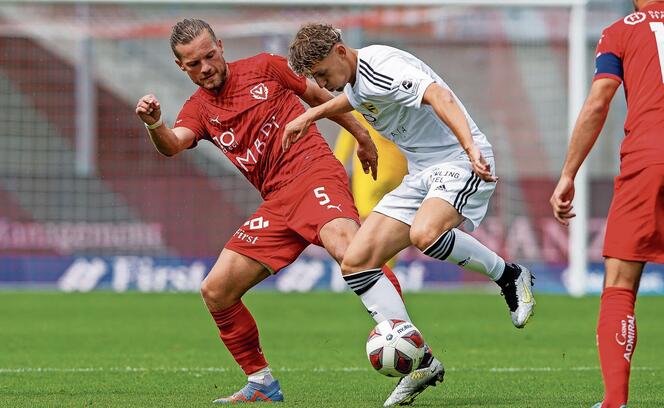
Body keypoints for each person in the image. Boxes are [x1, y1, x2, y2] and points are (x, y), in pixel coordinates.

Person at [135, 19, 407, 404]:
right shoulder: (198, 110)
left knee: (352, 252)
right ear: (182, 67)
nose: (205, 67)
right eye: (194, 64)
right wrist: (154, 124)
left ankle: (412, 345)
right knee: (216, 290)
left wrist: (361, 135)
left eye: (209, 56)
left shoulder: (265, 66)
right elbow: (173, 144)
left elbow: (317, 96)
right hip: (278, 201)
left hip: (313, 173)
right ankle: (261, 384)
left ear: (221, 47)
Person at [285, 23, 536, 407]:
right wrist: (311, 115)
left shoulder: (381, 64)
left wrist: (470, 149)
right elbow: (355, 98)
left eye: (322, 73)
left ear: (339, 51)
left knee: (425, 234)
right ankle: (422, 362)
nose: (323, 82)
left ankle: (509, 275)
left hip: (458, 161)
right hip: (421, 173)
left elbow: (440, 95)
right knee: (356, 262)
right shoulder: (355, 79)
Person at [550, 1, 664, 407]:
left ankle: (615, 401)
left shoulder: (621, 31)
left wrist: (568, 173)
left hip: (648, 160)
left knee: (619, 284)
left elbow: (599, 102)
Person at [334, 111, 408, 267]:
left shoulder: (360, 99)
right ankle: (386, 269)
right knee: (391, 223)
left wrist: (335, 169)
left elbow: (347, 136)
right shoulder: (396, 99)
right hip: (400, 170)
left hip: (371, 171)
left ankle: (370, 269)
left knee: (368, 223)